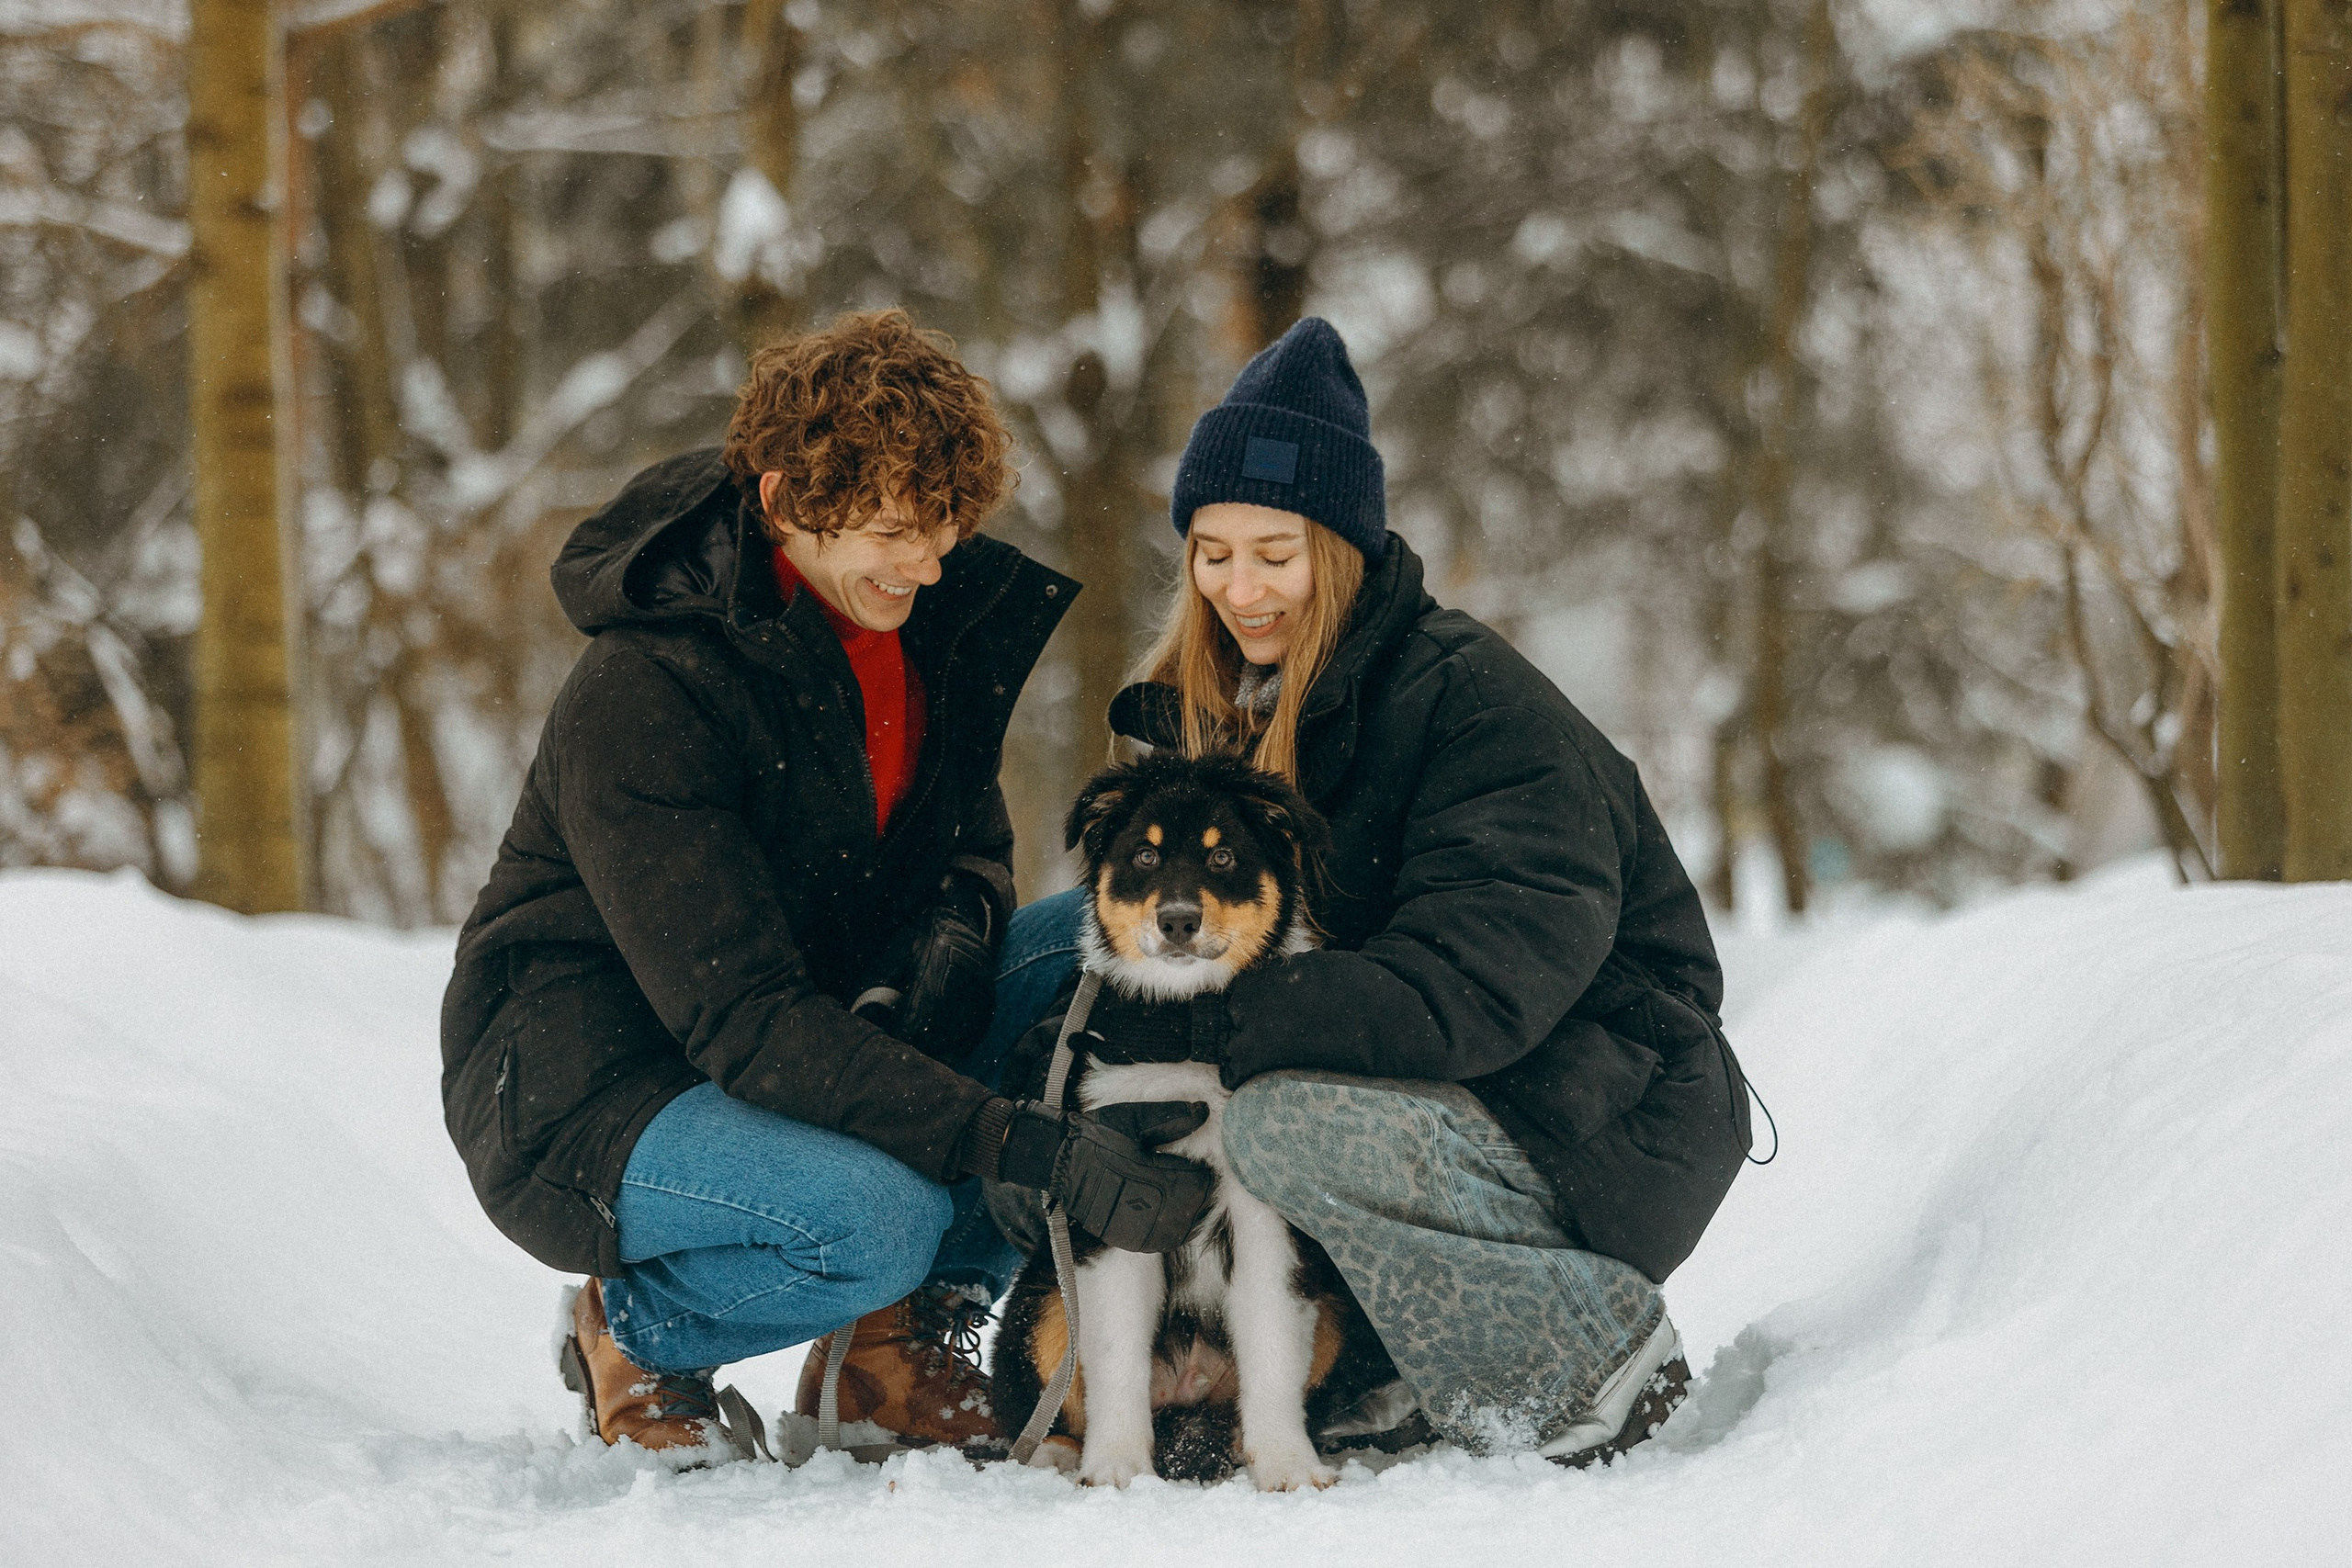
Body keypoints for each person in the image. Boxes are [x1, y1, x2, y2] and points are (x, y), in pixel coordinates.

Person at [440, 310, 1214, 1457]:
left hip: (807, 1020)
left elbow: (971, 839)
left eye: (946, 522)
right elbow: (741, 1018)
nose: (929, 561)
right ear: (782, 499)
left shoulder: (924, 623)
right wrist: (1021, 1143)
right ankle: (639, 1329)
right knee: (874, 1220)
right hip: (597, 1078)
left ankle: (891, 1346)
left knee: (1089, 949)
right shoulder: (647, 685)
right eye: (896, 527)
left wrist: (959, 921)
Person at [989, 316, 1754, 1464]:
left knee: (1276, 1120)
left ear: (1338, 550)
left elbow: (1475, 991)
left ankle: (1581, 1353)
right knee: (1061, 948)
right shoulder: (1232, 710)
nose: (1239, 588)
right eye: (1213, 552)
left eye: (1274, 554)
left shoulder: (1478, 710)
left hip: (1599, 1106)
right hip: (1449, 1091)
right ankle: (1317, 1362)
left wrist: (1200, 1025)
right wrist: (1062, 1122)